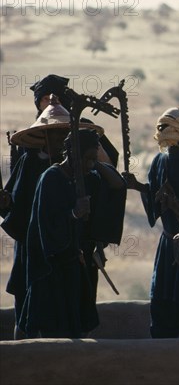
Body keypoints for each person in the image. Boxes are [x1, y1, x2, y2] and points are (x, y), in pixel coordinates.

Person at [1, 97, 104, 339]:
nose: (60, 138)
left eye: (64, 133)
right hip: (40, 252)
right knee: (35, 313)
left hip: (68, 253)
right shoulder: (43, 172)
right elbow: (32, 216)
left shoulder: (77, 173)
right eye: (55, 134)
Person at [19, 129, 126, 338]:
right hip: (53, 268)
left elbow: (118, 185)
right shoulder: (51, 178)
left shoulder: (88, 178)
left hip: (77, 265)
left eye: (92, 161)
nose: (90, 165)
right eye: (86, 159)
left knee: (78, 326)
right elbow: (46, 227)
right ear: (71, 154)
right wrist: (74, 214)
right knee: (53, 327)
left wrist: (95, 162)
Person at [123, 107, 179, 338]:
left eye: (166, 126)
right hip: (177, 247)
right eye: (162, 126)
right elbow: (156, 199)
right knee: (174, 305)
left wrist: (140, 187)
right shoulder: (172, 159)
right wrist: (138, 186)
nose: (163, 131)